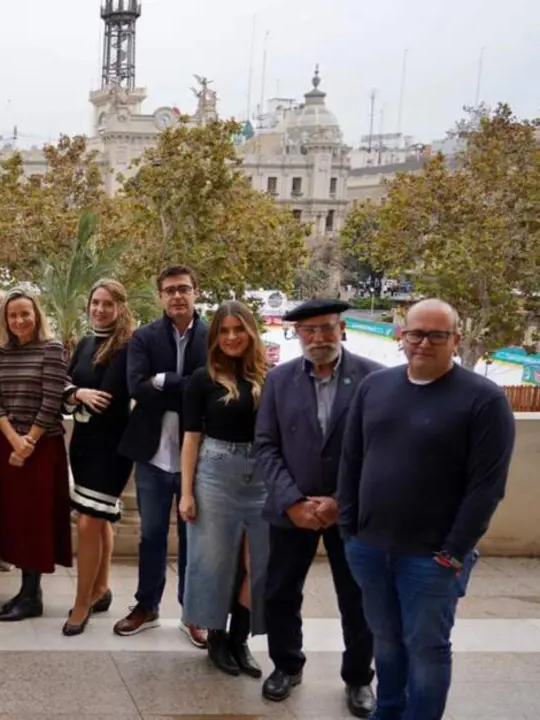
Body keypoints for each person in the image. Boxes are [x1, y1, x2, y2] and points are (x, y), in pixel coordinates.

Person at [339, 298, 515, 720]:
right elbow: (352, 459)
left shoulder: (484, 400)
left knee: (427, 648)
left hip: (432, 557)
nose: (424, 342)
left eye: (437, 335)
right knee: (385, 638)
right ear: (401, 335)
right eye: (416, 333)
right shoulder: (374, 387)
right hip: (370, 547)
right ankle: (389, 711)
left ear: (455, 340)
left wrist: (454, 551)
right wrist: (349, 528)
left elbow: (487, 487)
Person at [256, 298, 381, 716]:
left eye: (326, 328)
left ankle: (359, 678)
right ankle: (287, 666)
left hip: (353, 513)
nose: (318, 338)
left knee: (359, 598)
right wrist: (291, 501)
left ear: (341, 328)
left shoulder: (374, 378)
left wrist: (341, 503)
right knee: (279, 593)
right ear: (297, 335)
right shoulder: (278, 380)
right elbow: (266, 446)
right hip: (293, 510)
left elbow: (380, 452)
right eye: (308, 331)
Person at [115, 265, 209, 647]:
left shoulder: (215, 335)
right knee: (151, 535)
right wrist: (187, 386)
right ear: (160, 296)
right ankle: (146, 605)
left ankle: (194, 612)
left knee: (194, 538)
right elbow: (136, 386)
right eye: (169, 290)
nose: (176, 296)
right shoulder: (144, 338)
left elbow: (214, 388)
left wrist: (166, 381)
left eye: (183, 289)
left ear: (196, 291)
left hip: (201, 458)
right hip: (153, 455)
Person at [177, 300, 269, 678]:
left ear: (250, 333)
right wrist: (186, 492)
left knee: (257, 564)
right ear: (216, 337)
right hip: (215, 472)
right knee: (214, 562)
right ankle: (216, 639)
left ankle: (239, 639)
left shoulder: (270, 378)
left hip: (261, 476)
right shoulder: (202, 379)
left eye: (238, 330)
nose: (232, 337)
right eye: (224, 331)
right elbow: (190, 439)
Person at [0, 287, 72, 622]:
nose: (20, 320)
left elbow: (52, 401)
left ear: (36, 315)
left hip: (41, 449)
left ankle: (32, 594)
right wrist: (13, 440)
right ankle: (25, 592)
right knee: (14, 520)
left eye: (25, 313)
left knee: (35, 522)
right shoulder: (1, 353)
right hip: (9, 448)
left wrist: (29, 443)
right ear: (5, 321)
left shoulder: (51, 349)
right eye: (13, 315)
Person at [62, 280, 136, 636]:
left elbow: (113, 397)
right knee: (100, 519)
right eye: (95, 302)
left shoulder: (128, 346)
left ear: (120, 307)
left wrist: (84, 395)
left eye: (108, 304)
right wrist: (78, 393)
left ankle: (81, 603)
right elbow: (66, 384)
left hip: (113, 446)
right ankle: (101, 589)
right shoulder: (86, 342)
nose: (100, 309)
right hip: (83, 443)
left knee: (90, 522)